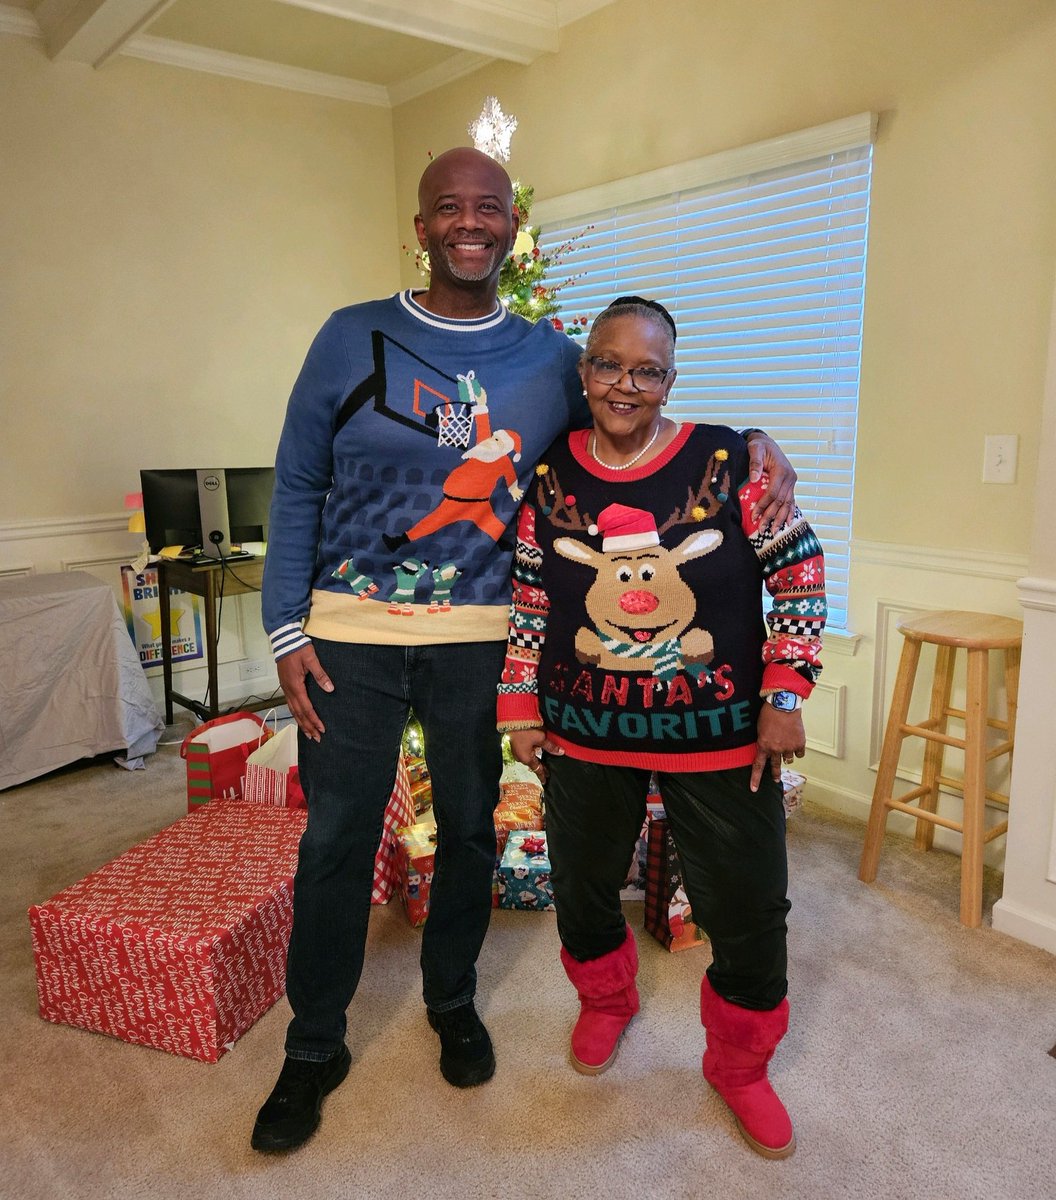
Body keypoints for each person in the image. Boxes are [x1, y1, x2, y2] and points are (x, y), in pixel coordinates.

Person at [253, 148, 799, 1155]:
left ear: (512, 226)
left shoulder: (552, 354)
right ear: (419, 226)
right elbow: (296, 482)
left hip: (478, 635)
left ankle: (452, 1003)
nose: (471, 224)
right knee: (333, 842)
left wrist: (757, 438)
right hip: (349, 636)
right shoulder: (348, 337)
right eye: (448, 209)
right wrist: (283, 624)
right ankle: (315, 1044)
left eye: (489, 209)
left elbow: (634, 412)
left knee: (468, 831)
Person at [497, 296, 826, 1161]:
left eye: (647, 370)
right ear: (585, 370)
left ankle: (740, 1066)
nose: (625, 384)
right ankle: (607, 1003)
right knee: (580, 887)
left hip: (720, 739)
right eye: (608, 364)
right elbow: (533, 596)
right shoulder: (550, 478)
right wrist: (519, 701)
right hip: (583, 735)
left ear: (670, 378)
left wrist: (785, 694)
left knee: (748, 908)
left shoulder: (732, 460)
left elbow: (799, 573)